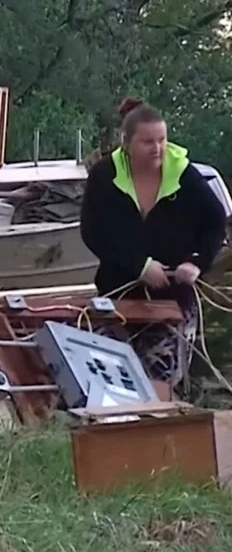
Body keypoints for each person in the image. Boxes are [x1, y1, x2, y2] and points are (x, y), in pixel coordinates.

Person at [80, 97, 226, 395]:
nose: (157, 148)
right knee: (109, 379)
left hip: (173, 300)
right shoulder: (104, 177)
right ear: (126, 143)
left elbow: (215, 222)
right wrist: (140, 266)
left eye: (162, 140)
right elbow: (93, 232)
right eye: (148, 141)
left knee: (160, 382)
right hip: (117, 293)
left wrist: (197, 262)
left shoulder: (185, 176)